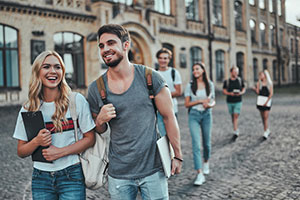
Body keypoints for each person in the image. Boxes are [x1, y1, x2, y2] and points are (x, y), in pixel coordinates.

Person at [87, 24, 182, 200]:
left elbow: (169, 118)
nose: (105, 49)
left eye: (111, 43)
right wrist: (100, 120)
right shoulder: (96, 89)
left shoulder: (150, 78)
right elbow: (97, 130)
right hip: (119, 173)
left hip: (153, 169)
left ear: (126, 45)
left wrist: (177, 155)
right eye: (101, 46)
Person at [13, 51, 96, 200]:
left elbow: (90, 138)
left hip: (72, 174)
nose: (53, 71)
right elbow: (21, 151)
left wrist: (61, 152)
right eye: (46, 66)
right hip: (41, 178)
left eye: (57, 67)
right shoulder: (29, 108)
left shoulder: (76, 101)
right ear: (38, 72)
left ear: (62, 72)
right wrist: (36, 142)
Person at [184, 63, 215, 186]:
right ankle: (199, 173)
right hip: (194, 116)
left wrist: (210, 105)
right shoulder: (190, 86)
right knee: (196, 144)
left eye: (197, 69)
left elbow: (213, 100)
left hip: (207, 115)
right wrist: (201, 101)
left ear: (203, 70)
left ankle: (206, 162)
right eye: (193, 69)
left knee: (206, 143)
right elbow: (187, 104)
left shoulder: (210, 84)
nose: (195, 71)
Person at [156, 48, 182, 136]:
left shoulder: (174, 72)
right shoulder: (154, 73)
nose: (163, 60)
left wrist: (161, 97)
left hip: (172, 110)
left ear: (169, 59)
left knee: (172, 137)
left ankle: (173, 150)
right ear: (158, 59)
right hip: (158, 111)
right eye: (161, 58)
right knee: (162, 137)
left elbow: (178, 91)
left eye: (165, 58)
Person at [223, 66, 245, 137]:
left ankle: (236, 130)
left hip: (238, 100)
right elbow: (224, 90)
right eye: (235, 72)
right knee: (232, 116)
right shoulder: (227, 81)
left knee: (236, 115)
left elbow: (243, 88)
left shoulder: (240, 80)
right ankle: (235, 127)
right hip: (230, 101)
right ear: (231, 72)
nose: (236, 73)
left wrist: (241, 93)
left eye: (237, 72)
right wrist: (230, 93)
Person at [252, 70, 273, 139]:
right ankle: (266, 129)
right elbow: (258, 92)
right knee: (262, 117)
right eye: (259, 75)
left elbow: (271, 94)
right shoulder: (259, 83)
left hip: (267, 102)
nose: (260, 76)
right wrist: (255, 89)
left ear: (265, 75)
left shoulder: (269, 83)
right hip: (260, 101)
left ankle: (265, 131)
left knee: (265, 116)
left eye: (261, 75)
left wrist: (266, 102)